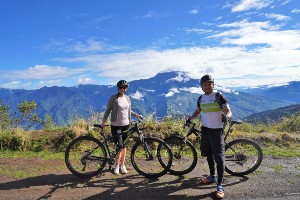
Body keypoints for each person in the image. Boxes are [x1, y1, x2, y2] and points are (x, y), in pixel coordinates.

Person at [187, 74, 232, 199]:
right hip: (205, 130)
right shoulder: (201, 98)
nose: (207, 86)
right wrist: (190, 119)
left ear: (213, 85)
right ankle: (212, 176)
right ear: (201, 86)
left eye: (209, 84)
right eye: (204, 84)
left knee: (219, 158)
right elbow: (198, 111)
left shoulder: (218, 96)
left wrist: (227, 117)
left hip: (217, 130)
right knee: (208, 155)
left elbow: (228, 110)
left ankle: (220, 186)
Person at [102, 80, 142, 175]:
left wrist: (136, 115)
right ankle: (116, 166)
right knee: (119, 146)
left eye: (124, 88)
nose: (122, 89)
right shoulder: (113, 98)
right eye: (121, 88)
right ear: (118, 88)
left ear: (126, 88)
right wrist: (103, 121)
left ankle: (122, 165)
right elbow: (108, 110)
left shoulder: (127, 98)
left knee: (124, 146)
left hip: (126, 125)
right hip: (116, 125)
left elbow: (128, 110)